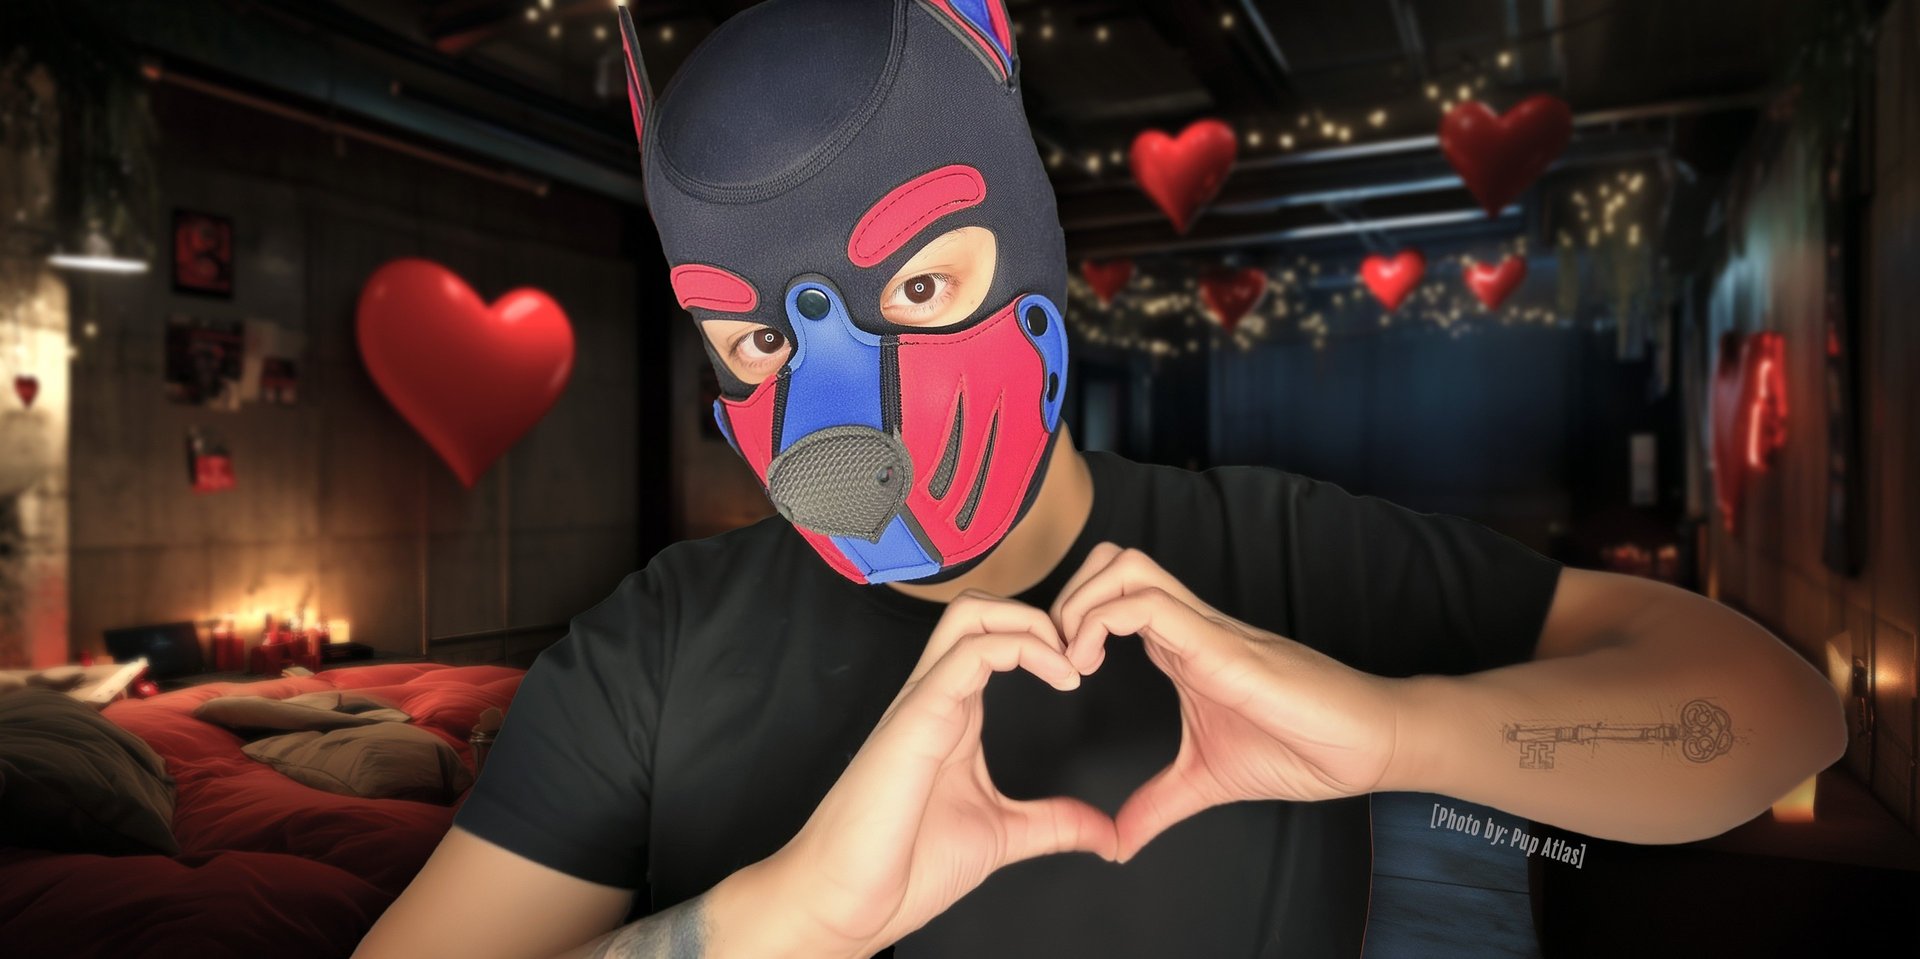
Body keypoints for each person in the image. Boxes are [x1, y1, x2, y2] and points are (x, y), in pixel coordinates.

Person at [354, 1, 1843, 956]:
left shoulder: (1275, 562)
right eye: (750, 337)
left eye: (923, 289)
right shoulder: (650, 653)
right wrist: (778, 921)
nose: (832, 414)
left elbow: (1769, 718)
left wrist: (1400, 732)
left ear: (1032, 265)